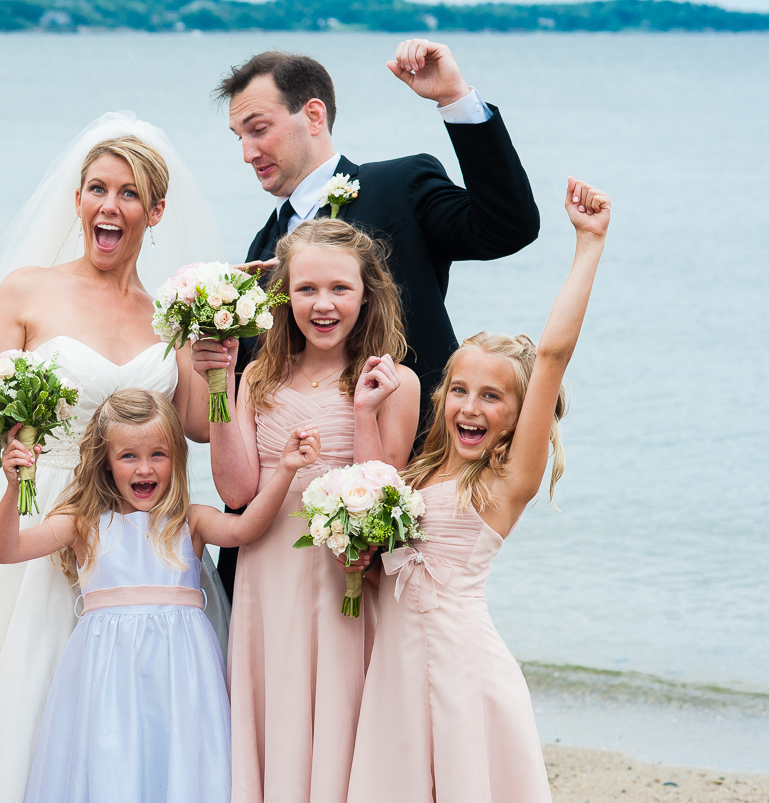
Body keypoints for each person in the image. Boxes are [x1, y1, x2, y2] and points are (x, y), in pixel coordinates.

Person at [0, 113, 226, 803]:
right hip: (50, 511)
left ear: (155, 211)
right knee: (28, 699)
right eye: (97, 189)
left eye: (126, 193)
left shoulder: (171, 314)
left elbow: (200, 428)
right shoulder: (29, 289)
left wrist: (219, 363)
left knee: (138, 719)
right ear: (79, 200)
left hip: (145, 535)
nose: (108, 205)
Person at [204, 40, 541, 599]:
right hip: (276, 536)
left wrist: (454, 99)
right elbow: (250, 399)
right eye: (238, 137)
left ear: (313, 114)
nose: (247, 152)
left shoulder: (399, 186)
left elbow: (507, 225)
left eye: (257, 129)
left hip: (395, 505)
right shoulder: (261, 251)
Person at [348, 178, 610, 803]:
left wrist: (588, 245)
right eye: (460, 390)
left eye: (492, 396)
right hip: (395, 668)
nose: (471, 406)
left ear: (520, 418)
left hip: (460, 670)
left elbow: (550, 356)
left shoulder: (502, 484)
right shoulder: (419, 471)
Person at [0, 390, 314, 803]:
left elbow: (244, 529)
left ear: (176, 458)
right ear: (105, 462)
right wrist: (12, 488)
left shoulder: (190, 520)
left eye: (158, 454)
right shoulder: (83, 523)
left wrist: (285, 469)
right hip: (106, 674)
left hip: (182, 673)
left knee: (179, 760)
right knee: (111, 760)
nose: (144, 468)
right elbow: (6, 551)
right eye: (128, 456)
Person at [208, 219, 419, 803]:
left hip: (345, 581)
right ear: (285, 297)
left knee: (343, 719)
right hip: (268, 580)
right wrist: (221, 379)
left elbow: (381, 503)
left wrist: (362, 413)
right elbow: (235, 490)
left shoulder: (394, 382)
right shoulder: (258, 377)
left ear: (366, 293)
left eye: (339, 289)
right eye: (306, 289)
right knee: (275, 713)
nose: (322, 305)